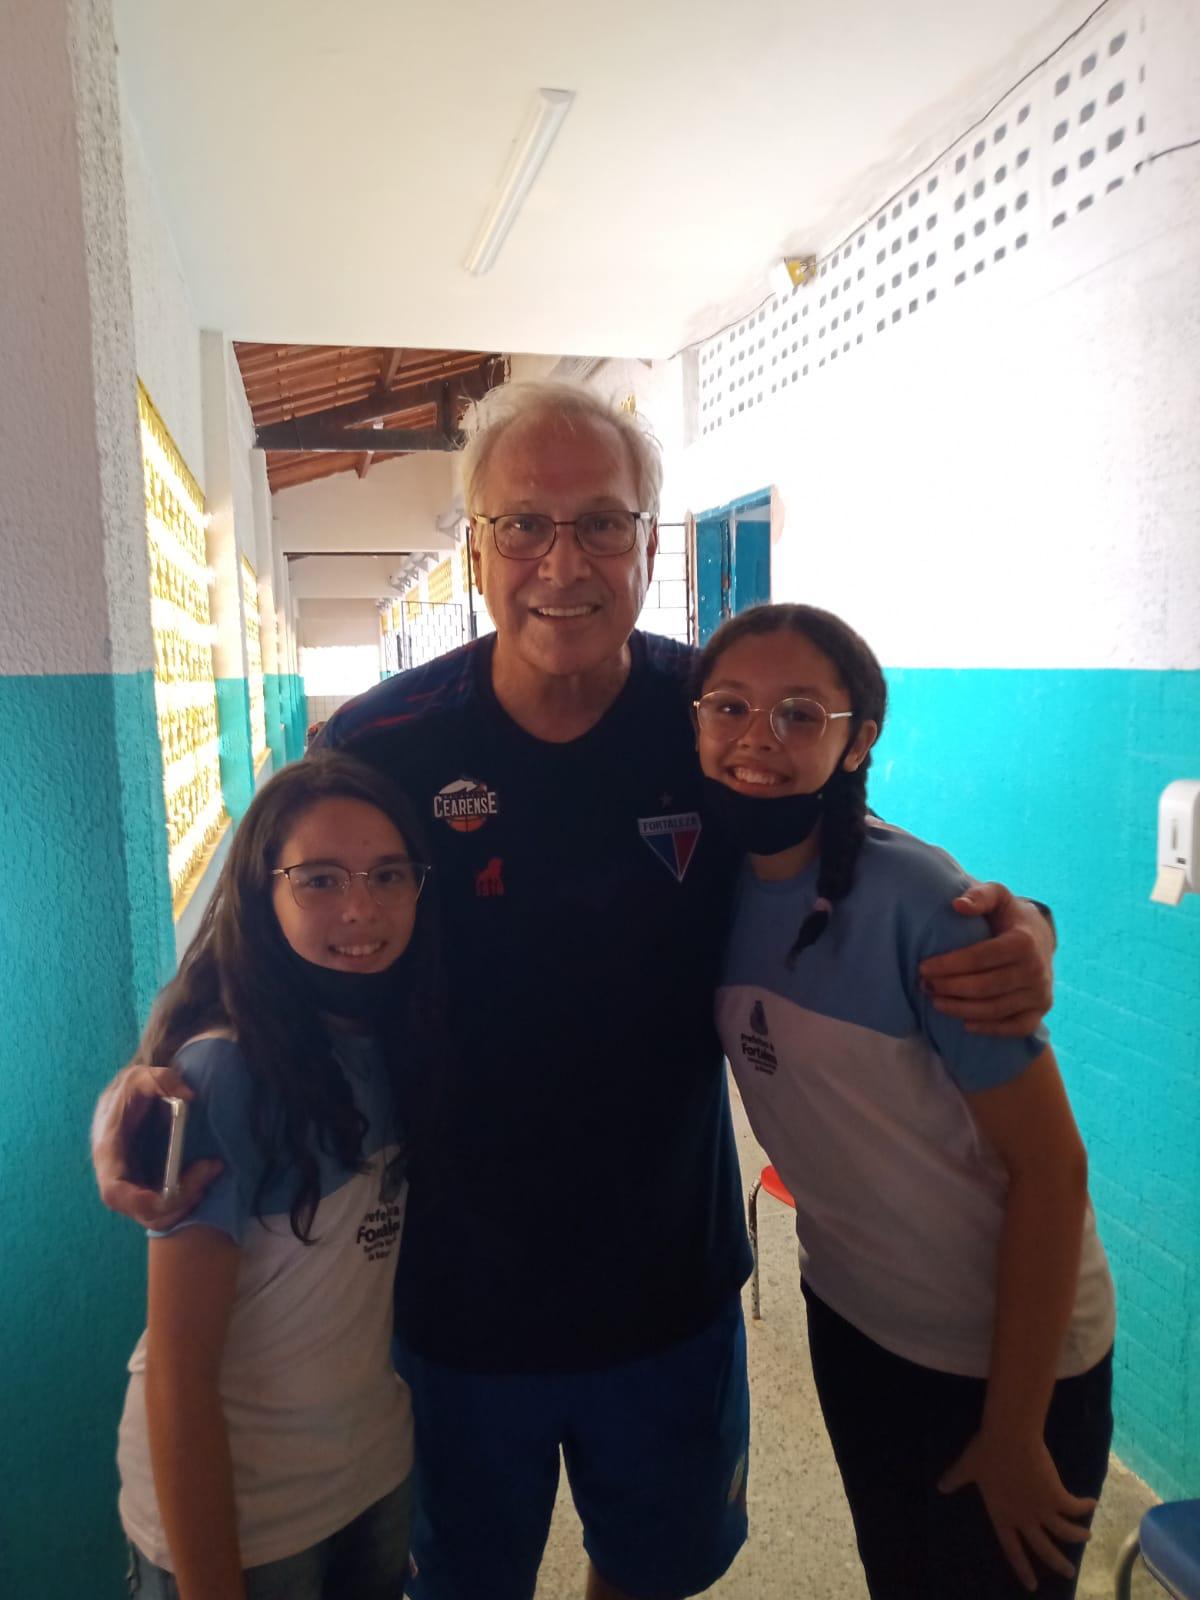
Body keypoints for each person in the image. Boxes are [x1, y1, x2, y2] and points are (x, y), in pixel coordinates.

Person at [95, 381, 1058, 1600]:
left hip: (666, 1282)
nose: (566, 560)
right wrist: (144, 1076)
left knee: (649, 1576)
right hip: (451, 1296)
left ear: (650, 543)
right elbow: (253, 934)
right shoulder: (388, 740)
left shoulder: (707, 714)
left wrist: (1021, 919)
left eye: (603, 523)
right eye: (524, 525)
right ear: (477, 550)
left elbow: (860, 851)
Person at [695, 602, 1115, 1600]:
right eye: (730, 707)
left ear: (857, 742)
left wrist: (1014, 1428)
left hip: (1009, 1360)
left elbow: (1051, 1172)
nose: (759, 738)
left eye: (802, 713)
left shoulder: (924, 906)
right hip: (853, 1324)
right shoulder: (706, 888)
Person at [116, 753, 442, 1600]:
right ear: (262, 890)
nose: (361, 908)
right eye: (320, 880)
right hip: (244, 1522)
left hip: (369, 1476)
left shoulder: (391, 1034)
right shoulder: (224, 1075)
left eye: (387, 875)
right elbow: (180, 1376)